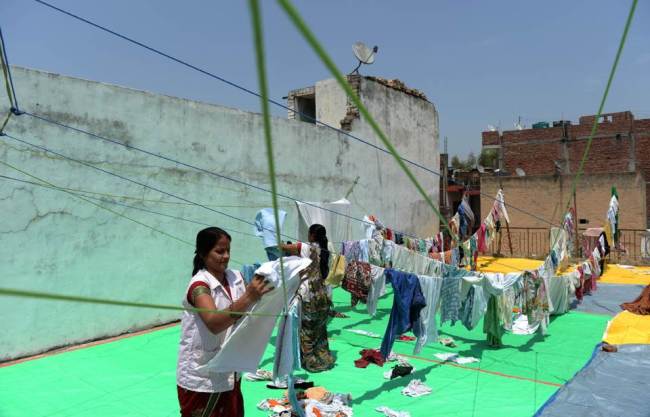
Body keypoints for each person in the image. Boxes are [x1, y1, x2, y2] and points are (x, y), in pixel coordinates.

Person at [177, 227, 273, 417]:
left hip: (230, 369)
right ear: (204, 254)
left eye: (228, 250)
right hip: (202, 376)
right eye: (219, 251)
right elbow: (213, 323)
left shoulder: (235, 277)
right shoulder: (199, 286)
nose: (226, 256)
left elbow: (259, 299)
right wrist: (247, 298)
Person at [280, 224, 336, 372]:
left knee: (307, 330)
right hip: (323, 294)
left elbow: (283, 248)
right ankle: (325, 358)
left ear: (311, 235)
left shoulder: (305, 247)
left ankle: (311, 362)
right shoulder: (326, 248)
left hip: (309, 296)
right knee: (320, 329)